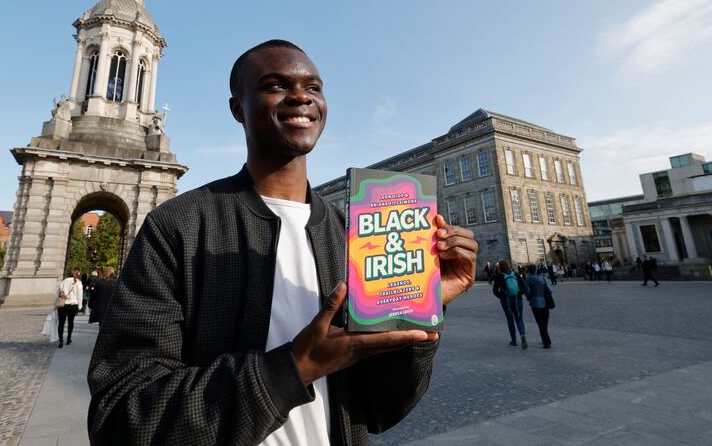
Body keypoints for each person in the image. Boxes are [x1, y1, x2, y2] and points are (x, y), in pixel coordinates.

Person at [86, 40, 478, 445]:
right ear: (237, 107)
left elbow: (380, 408)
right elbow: (121, 415)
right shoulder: (179, 226)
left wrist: (423, 309)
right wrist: (292, 368)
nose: (300, 96)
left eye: (314, 87)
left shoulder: (354, 237)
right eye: (276, 85)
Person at [492, 260, 528, 349]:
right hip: (517, 300)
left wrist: (501, 296)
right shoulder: (515, 274)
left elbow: (495, 290)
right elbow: (524, 288)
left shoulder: (499, 276)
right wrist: (518, 293)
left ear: (499, 267)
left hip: (506, 301)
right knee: (519, 318)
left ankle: (514, 340)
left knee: (510, 319)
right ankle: (522, 335)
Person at [524, 265, 552, 348]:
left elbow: (527, 293)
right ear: (536, 270)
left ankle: (546, 342)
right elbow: (550, 290)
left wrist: (530, 298)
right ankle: (547, 339)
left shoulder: (528, 280)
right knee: (545, 322)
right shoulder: (542, 278)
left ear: (528, 271)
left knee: (540, 323)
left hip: (535, 303)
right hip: (545, 302)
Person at [56, 268, 83, 349]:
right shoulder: (79, 283)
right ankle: (68, 338)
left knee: (61, 323)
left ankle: (60, 340)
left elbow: (58, 292)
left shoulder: (64, 281)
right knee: (71, 322)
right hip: (73, 304)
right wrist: (80, 306)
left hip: (63, 304)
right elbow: (80, 296)